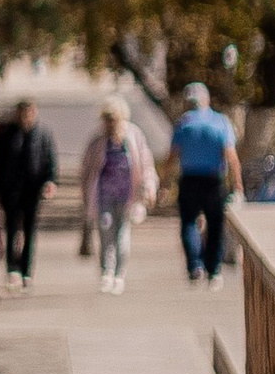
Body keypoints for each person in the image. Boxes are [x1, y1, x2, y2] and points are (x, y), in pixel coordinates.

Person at [77, 96, 156, 294]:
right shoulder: (98, 141)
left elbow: (145, 163)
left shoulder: (133, 136)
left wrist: (149, 188)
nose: (110, 123)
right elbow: (86, 169)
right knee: (105, 233)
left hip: (127, 196)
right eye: (106, 118)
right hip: (103, 195)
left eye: (113, 118)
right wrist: (85, 195)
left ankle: (119, 274)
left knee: (122, 235)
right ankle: (106, 273)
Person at [169, 78, 243, 283]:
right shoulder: (220, 122)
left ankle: (195, 266)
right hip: (213, 181)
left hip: (189, 180)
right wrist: (237, 185)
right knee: (215, 224)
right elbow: (231, 156)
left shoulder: (183, 124)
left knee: (189, 223)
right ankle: (213, 268)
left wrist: (165, 182)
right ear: (207, 100)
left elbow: (172, 155)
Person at [0, 96, 57, 284]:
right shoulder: (7, 135)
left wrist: (50, 182)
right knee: (11, 229)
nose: (26, 116)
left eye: (30, 112)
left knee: (29, 230)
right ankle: (12, 268)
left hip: (32, 190)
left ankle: (26, 270)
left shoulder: (42, 135)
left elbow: (49, 162)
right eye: (23, 112)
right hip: (11, 190)